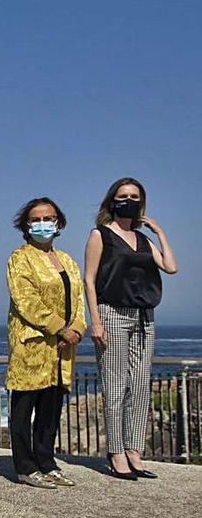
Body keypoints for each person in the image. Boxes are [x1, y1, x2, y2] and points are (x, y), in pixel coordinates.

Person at [83, 177, 177, 480]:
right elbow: (89, 279)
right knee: (115, 387)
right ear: (113, 200)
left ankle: (135, 450)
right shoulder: (100, 235)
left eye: (134, 196)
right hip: (112, 314)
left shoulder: (143, 239)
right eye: (123, 195)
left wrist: (159, 232)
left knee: (138, 387)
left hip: (144, 316)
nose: (129, 200)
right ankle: (116, 452)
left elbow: (171, 267)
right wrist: (95, 321)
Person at [5, 198, 85, 489]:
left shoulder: (68, 261)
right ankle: (25, 466)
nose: (43, 223)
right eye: (36, 219)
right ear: (26, 225)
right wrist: (60, 329)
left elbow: (78, 300)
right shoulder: (20, 258)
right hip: (33, 344)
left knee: (51, 408)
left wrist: (76, 329)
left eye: (49, 218)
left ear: (58, 222)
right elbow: (26, 300)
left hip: (63, 348)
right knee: (25, 407)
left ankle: (47, 461)